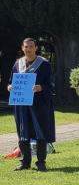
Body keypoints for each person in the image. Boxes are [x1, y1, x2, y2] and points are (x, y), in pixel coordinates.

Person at [6, 38, 56, 171]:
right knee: (23, 132)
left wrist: (42, 88)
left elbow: (51, 85)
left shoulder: (44, 64)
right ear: (22, 48)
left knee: (40, 132)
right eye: (26, 47)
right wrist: (10, 87)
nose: (28, 49)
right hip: (21, 105)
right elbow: (11, 81)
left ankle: (41, 163)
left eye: (31, 47)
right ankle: (25, 162)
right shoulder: (18, 64)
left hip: (38, 105)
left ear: (35, 48)